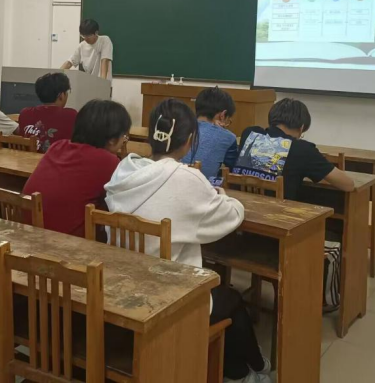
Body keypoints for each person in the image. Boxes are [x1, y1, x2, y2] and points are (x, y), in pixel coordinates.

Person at [106, 99, 271, 383]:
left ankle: (248, 369)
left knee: (223, 297)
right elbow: (230, 217)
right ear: (190, 140)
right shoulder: (186, 178)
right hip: (166, 295)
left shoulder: (125, 169)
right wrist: (223, 197)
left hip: (121, 285)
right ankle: (245, 373)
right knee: (230, 298)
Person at [22, 99, 130, 237]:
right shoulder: (108, 161)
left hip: (29, 233)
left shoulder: (57, 146)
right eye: (124, 137)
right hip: (66, 243)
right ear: (112, 140)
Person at [237, 98, 354, 200]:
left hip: (240, 206)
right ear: (301, 127)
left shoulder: (250, 133)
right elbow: (348, 185)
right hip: (279, 212)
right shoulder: (303, 149)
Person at [182, 86, 239, 185]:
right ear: (222, 115)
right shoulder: (228, 137)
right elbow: (233, 172)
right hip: (204, 189)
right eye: (228, 121)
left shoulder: (180, 127)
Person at [18, 72, 78, 152]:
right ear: (61, 95)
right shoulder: (71, 115)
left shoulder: (25, 114)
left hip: (26, 159)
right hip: (57, 160)